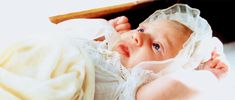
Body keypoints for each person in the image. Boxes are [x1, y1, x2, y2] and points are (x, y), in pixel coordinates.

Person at [0, 4, 229, 100]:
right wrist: (107, 30)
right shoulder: (106, 47)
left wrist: (209, 74)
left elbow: (180, 86)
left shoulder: (131, 86)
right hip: (33, 57)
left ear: (167, 71)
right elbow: (68, 36)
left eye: (156, 46)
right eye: (142, 29)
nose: (138, 36)